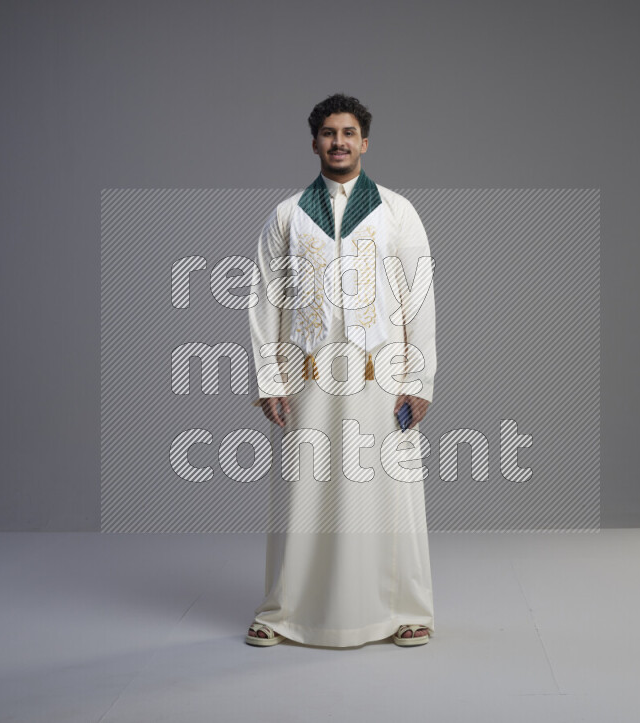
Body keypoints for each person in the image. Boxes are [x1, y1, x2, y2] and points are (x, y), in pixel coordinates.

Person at [245, 93, 437, 648]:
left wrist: (419, 380)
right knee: (301, 495)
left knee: (386, 492)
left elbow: (420, 297)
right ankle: (284, 611)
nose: (339, 142)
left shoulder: (396, 212)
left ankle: (406, 609)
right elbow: (263, 300)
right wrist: (268, 380)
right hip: (307, 378)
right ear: (314, 144)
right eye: (329, 133)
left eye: (349, 133)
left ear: (365, 142)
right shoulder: (286, 216)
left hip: (381, 377)